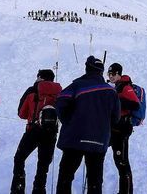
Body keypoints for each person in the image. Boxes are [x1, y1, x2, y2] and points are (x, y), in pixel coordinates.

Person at [55, 56, 120, 194]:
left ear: (87, 69)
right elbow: (116, 117)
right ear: (101, 71)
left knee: (65, 177)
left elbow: (60, 102)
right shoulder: (112, 92)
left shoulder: (77, 86)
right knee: (95, 181)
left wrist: (69, 122)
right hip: (99, 140)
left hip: (74, 139)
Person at [11, 69, 63, 194]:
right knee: (43, 164)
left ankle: (18, 188)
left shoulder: (32, 90)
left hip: (33, 130)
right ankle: (39, 189)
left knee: (19, 158)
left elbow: (21, 113)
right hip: (51, 133)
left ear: (40, 77)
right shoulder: (59, 92)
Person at [107, 63, 140, 194]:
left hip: (122, 129)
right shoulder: (115, 87)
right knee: (117, 160)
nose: (111, 76)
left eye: (114, 74)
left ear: (119, 74)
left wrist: (117, 101)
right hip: (114, 128)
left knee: (122, 162)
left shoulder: (125, 87)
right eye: (109, 74)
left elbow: (135, 104)